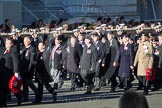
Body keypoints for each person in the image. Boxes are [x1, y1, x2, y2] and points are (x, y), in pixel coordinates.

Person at [0, 37, 22, 107]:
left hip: (8, 72)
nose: (6, 44)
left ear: (11, 44)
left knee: (7, 87)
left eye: (7, 43)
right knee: (2, 87)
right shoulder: (3, 51)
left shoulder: (13, 51)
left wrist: (16, 72)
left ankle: (18, 97)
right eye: (5, 43)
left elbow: (16, 61)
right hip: (2, 72)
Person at [19, 37, 38, 102]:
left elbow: (31, 61)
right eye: (24, 41)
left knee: (29, 83)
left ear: (29, 41)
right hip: (22, 69)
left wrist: (28, 69)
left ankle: (36, 92)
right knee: (24, 84)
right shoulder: (23, 49)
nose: (24, 42)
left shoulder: (32, 49)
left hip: (28, 69)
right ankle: (25, 97)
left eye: (26, 41)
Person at [49, 35, 64, 102]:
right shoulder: (54, 46)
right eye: (55, 40)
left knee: (55, 78)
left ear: (60, 41)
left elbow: (63, 56)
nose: (55, 41)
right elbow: (50, 42)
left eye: (57, 39)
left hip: (57, 63)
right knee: (53, 75)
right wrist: (54, 36)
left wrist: (62, 63)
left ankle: (55, 90)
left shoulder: (61, 47)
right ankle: (59, 80)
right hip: (52, 62)